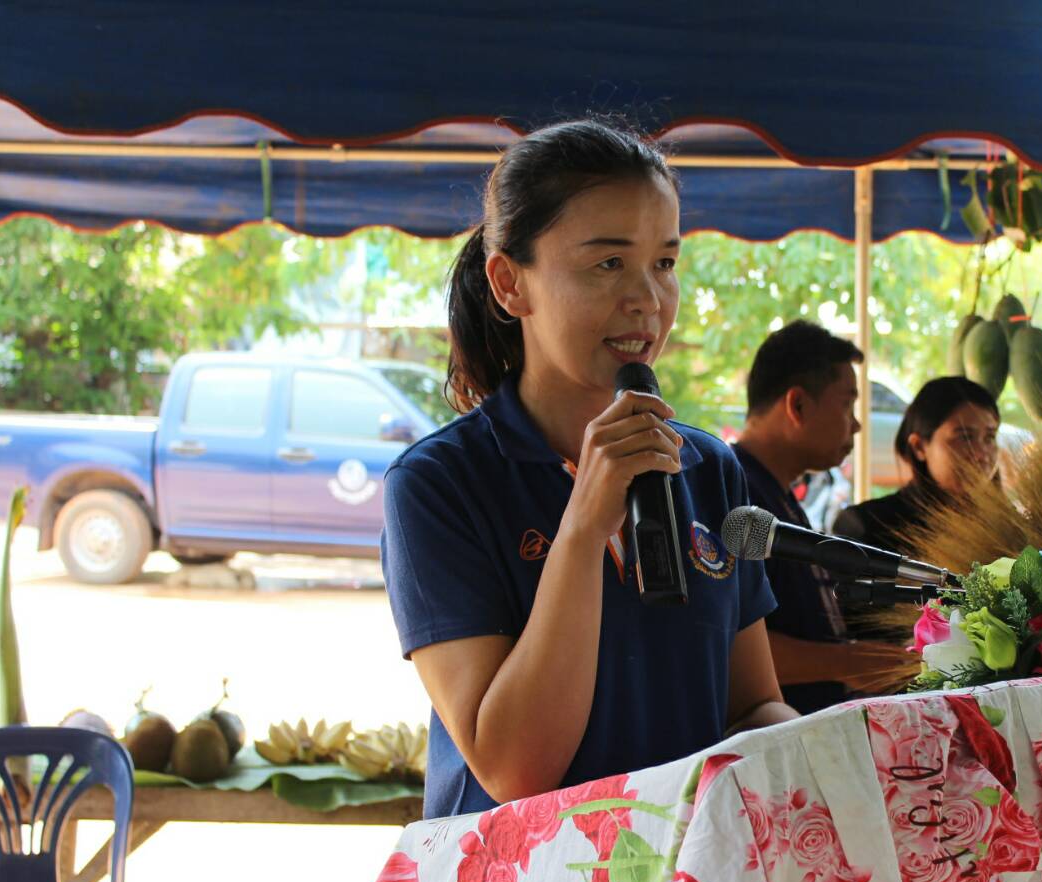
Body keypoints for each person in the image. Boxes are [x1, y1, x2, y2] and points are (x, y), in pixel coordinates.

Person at [381, 120, 796, 819]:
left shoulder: (708, 467)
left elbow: (750, 702)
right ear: (511, 283)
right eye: (607, 263)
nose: (646, 298)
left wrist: (822, 755)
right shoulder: (438, 484)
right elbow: (514, 765)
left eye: (664, 263)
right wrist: (582, 526)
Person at [732, 321, 904, 714]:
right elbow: (724, 643)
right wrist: (847, 662)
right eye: (847, 404)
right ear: (798, 405)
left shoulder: (776, 492)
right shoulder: (734, 492)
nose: (857, 424)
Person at [832, 376, 1001, 554]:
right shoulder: (868, 528)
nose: (982, 454)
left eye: (990, 437)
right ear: (919, 447)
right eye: (965, 437)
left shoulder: (1009, 529)